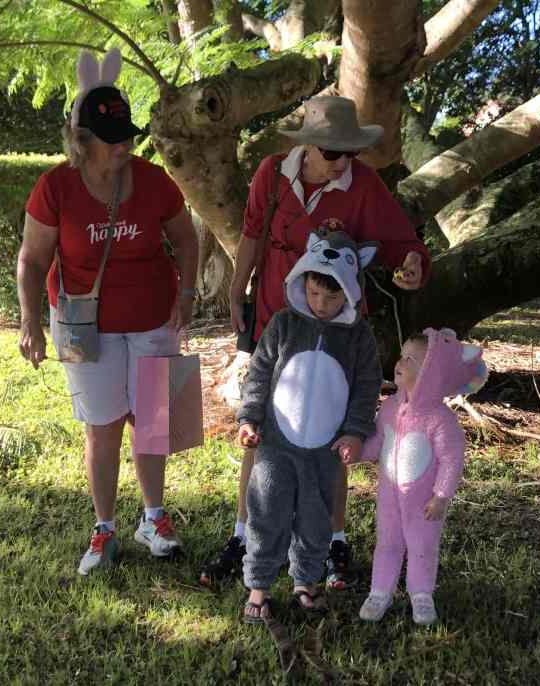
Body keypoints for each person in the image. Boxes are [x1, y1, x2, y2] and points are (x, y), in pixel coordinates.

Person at [201, 95, 432, 589]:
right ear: (307, 146)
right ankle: (246, 534)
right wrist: (237, 290)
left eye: (350, 153)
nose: (342, 162)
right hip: (276, 322)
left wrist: (412, 264)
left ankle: (332, 541)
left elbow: (401, 243)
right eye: (332, 153)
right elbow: (251, 235)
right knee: (261, 427)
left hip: (338, 334)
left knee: (333, 436)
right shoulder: (272, 173)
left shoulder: (362, 184)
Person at [16, 48, 199, 576]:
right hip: (81, 323)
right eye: (112, 139)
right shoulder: (55, 187)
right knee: (102, 426)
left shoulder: (154, 180)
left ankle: (154, 518)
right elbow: (32, 260)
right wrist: (29, 320)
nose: (124, 146)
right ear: (82, 140)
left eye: (128, 136)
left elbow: (186, 241)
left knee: (153, 422)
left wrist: (185, 295)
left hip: (153, 319)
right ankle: (104, 528)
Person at [237, 230, 382, 622]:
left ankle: (307, 581)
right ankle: (259, 586)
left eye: (333, 298)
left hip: (326, 448)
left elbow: (367, 386)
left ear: (350, 294)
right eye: (315, 293)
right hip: (276, 442)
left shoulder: (359, 336)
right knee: (267, 510)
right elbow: (259, 373)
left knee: (316, 517)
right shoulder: (284, 324)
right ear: (303, 282)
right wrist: (250, 416)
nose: (321, 304)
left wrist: (355, 430)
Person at [345, 329, 487, 625]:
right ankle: (379, 591)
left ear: (431, 374)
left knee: (422, 546)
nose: (401, 362)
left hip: (424, 502)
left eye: (412, 359)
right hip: (389, 495)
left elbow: (451, 459)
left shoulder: (440, 419)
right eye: (402, 355)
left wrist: (441, 495)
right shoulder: (390, 407)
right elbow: (379, 441)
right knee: (387, 542)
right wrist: (358, 453)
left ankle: (421, 594)